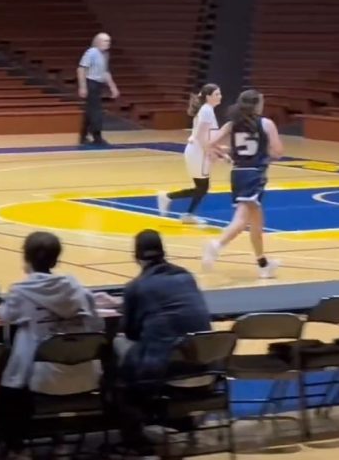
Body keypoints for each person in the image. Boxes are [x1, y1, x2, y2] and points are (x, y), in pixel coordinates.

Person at [0, 232, 104, 459]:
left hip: (42, 381)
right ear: (56, 260)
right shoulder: (78, 289)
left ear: (26, 258)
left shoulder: (21, 292)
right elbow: (98, 324)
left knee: (8, 389)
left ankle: (19, 448)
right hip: (86, 375)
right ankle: (60, 439)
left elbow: (4, 314)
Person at [114, 230, 212, 454]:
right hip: (203, 368)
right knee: (171, 344)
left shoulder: (135, 287)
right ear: (163, 252)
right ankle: (178, 417)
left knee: (118, 348)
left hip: (166, 371)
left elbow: (129, 332)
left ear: (136, 256)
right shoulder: (187, 277)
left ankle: (133, 433)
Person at [203, 89, 284, 278]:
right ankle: (216, 245)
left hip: (237, 174)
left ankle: (263, 264)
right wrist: (263, 152)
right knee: (241, 220)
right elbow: (278, 152)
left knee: (257, 222)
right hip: (254, 174)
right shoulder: (266, 123)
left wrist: (224, 153)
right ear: (256, 104)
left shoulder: (233, 124)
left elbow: (209, 143)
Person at [157, 84, 226, 224]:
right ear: (208, 97)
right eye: (217, 94)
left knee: (202, 187)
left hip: (198, 151)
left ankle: (186, 213)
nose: (220, 96)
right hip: (198, 152)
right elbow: (200, 136)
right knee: (202, 187)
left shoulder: (207, 110)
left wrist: (218, 150)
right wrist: (211, 152)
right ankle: (168, 197)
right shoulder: (206, 111)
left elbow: (206, 137)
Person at [77, 32, 119, 146]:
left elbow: (105, 72)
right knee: (96, 111)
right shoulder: (91, 52)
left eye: (109, 41)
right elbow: (81, 69)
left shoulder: (105, 54)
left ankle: (83, 136)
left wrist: (113, 86)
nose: (108, 43)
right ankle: (97, 136)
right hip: (91, 83)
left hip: (98, 85)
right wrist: (83, 86)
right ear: (98, 42)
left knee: (90, 111)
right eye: (105, 41)